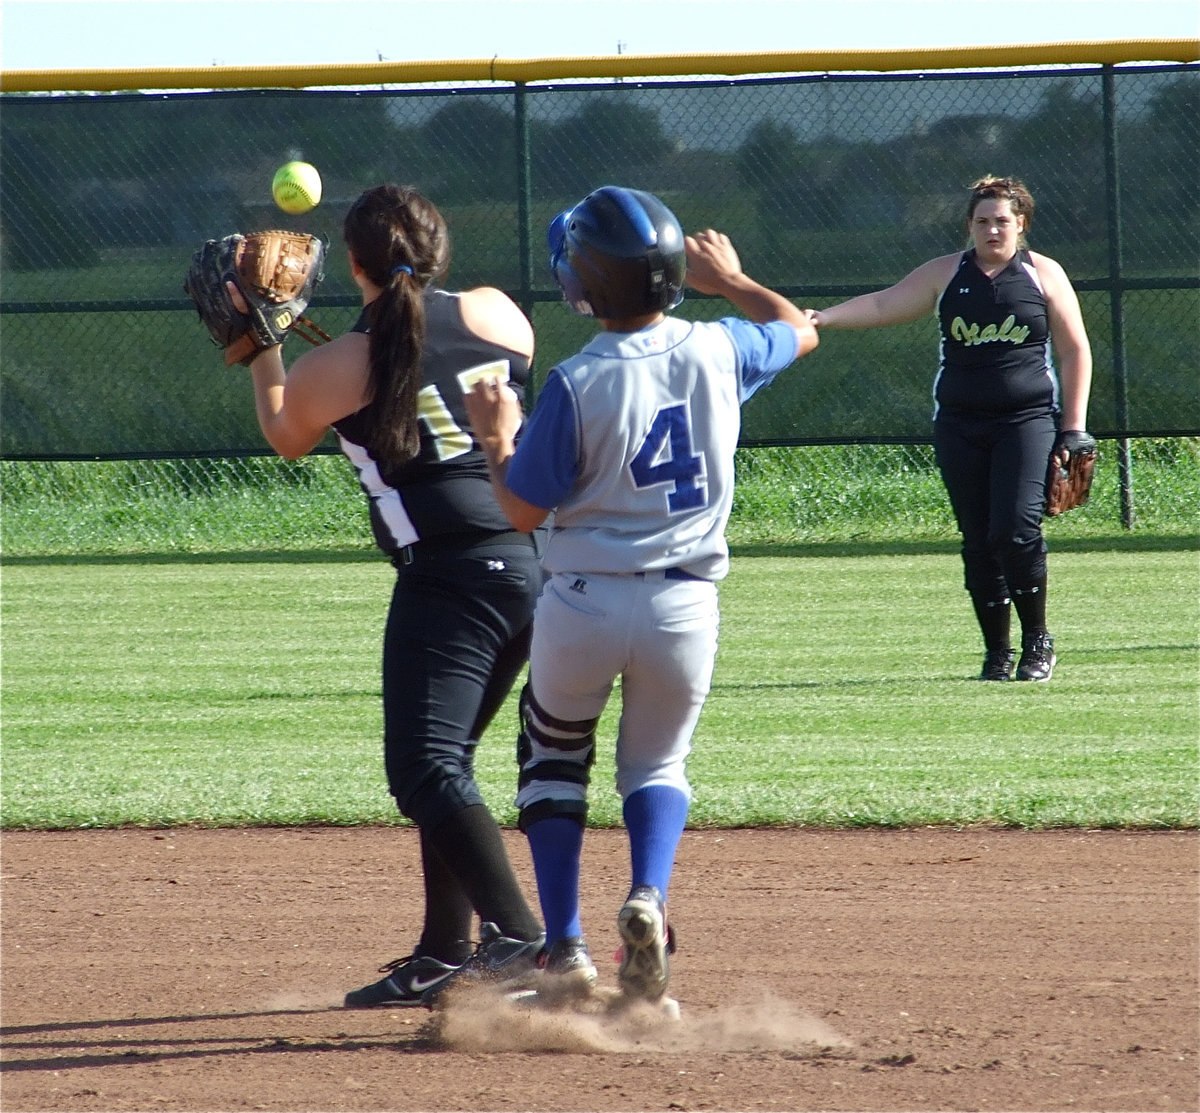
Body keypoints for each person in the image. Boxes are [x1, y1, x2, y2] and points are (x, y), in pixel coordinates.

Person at [463, 186, 819, 1004]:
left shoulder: (578, 379)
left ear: (587, 282)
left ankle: (566, 948)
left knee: (553, 758)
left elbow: (520, 508)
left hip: (582, 601)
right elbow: (801, 329)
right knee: (657, 761)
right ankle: (650, 898)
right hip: (685, 606)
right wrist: (730, 278)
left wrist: (494, 437)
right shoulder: (723, 346)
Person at [236, 184, 546, 1007]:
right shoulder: (499, 315)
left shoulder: (339, 364)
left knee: (422, 767)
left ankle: (519, 938)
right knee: (447, 764)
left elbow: (285, 432)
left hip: (449, 579)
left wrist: (255, 339)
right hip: (530, 563)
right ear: (440, 249)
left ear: (358, 266)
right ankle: (447, 948)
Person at [806, 175, 1094, 682]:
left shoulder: (1043, 274)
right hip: (960, 424)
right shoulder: (946, 274)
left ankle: (1038, 642)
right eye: (982, 221)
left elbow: (1074, 350)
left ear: (1020, 224)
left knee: (1015, 529)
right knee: (979, 538)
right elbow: (883, 304)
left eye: (1002, 220)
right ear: (970, 226)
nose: (992, 229)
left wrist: (1072, 428)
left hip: (1025, 422)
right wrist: (822, 318)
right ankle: (998, 653)